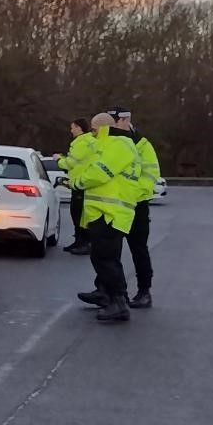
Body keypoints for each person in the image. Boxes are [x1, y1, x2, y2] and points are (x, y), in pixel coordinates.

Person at [70, 112, 145, 323]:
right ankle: (111, 297)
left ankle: (118, 302)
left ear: (102, 129)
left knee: (105, 258)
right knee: (103, 257)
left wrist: (78, 183)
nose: (91, 135)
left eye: (93, 130)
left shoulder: (118, 145)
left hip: (111, 213)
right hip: (106, 212)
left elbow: (100, 172)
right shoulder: (112, 145)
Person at [112, 106, 159, 309]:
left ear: (125, 120)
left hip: (136, 205)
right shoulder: (114, 142)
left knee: (138, 249)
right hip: (115, 204)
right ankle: (112, 291)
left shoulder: (142, 145)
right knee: (109, 250)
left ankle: (144, 291)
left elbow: (150, 175)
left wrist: (132, 195)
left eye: (114, 122)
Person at [61, 117, 93, 254]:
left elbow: (70, 163)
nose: (71, 130)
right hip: (82, 184)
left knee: (78, 215)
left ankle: (84, 243)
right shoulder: (90, 141)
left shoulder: (81, 143)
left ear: (79, 128)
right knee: (79, 215)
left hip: (81, 185)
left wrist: (59, 160)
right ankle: (79, 242)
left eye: (73, 127)